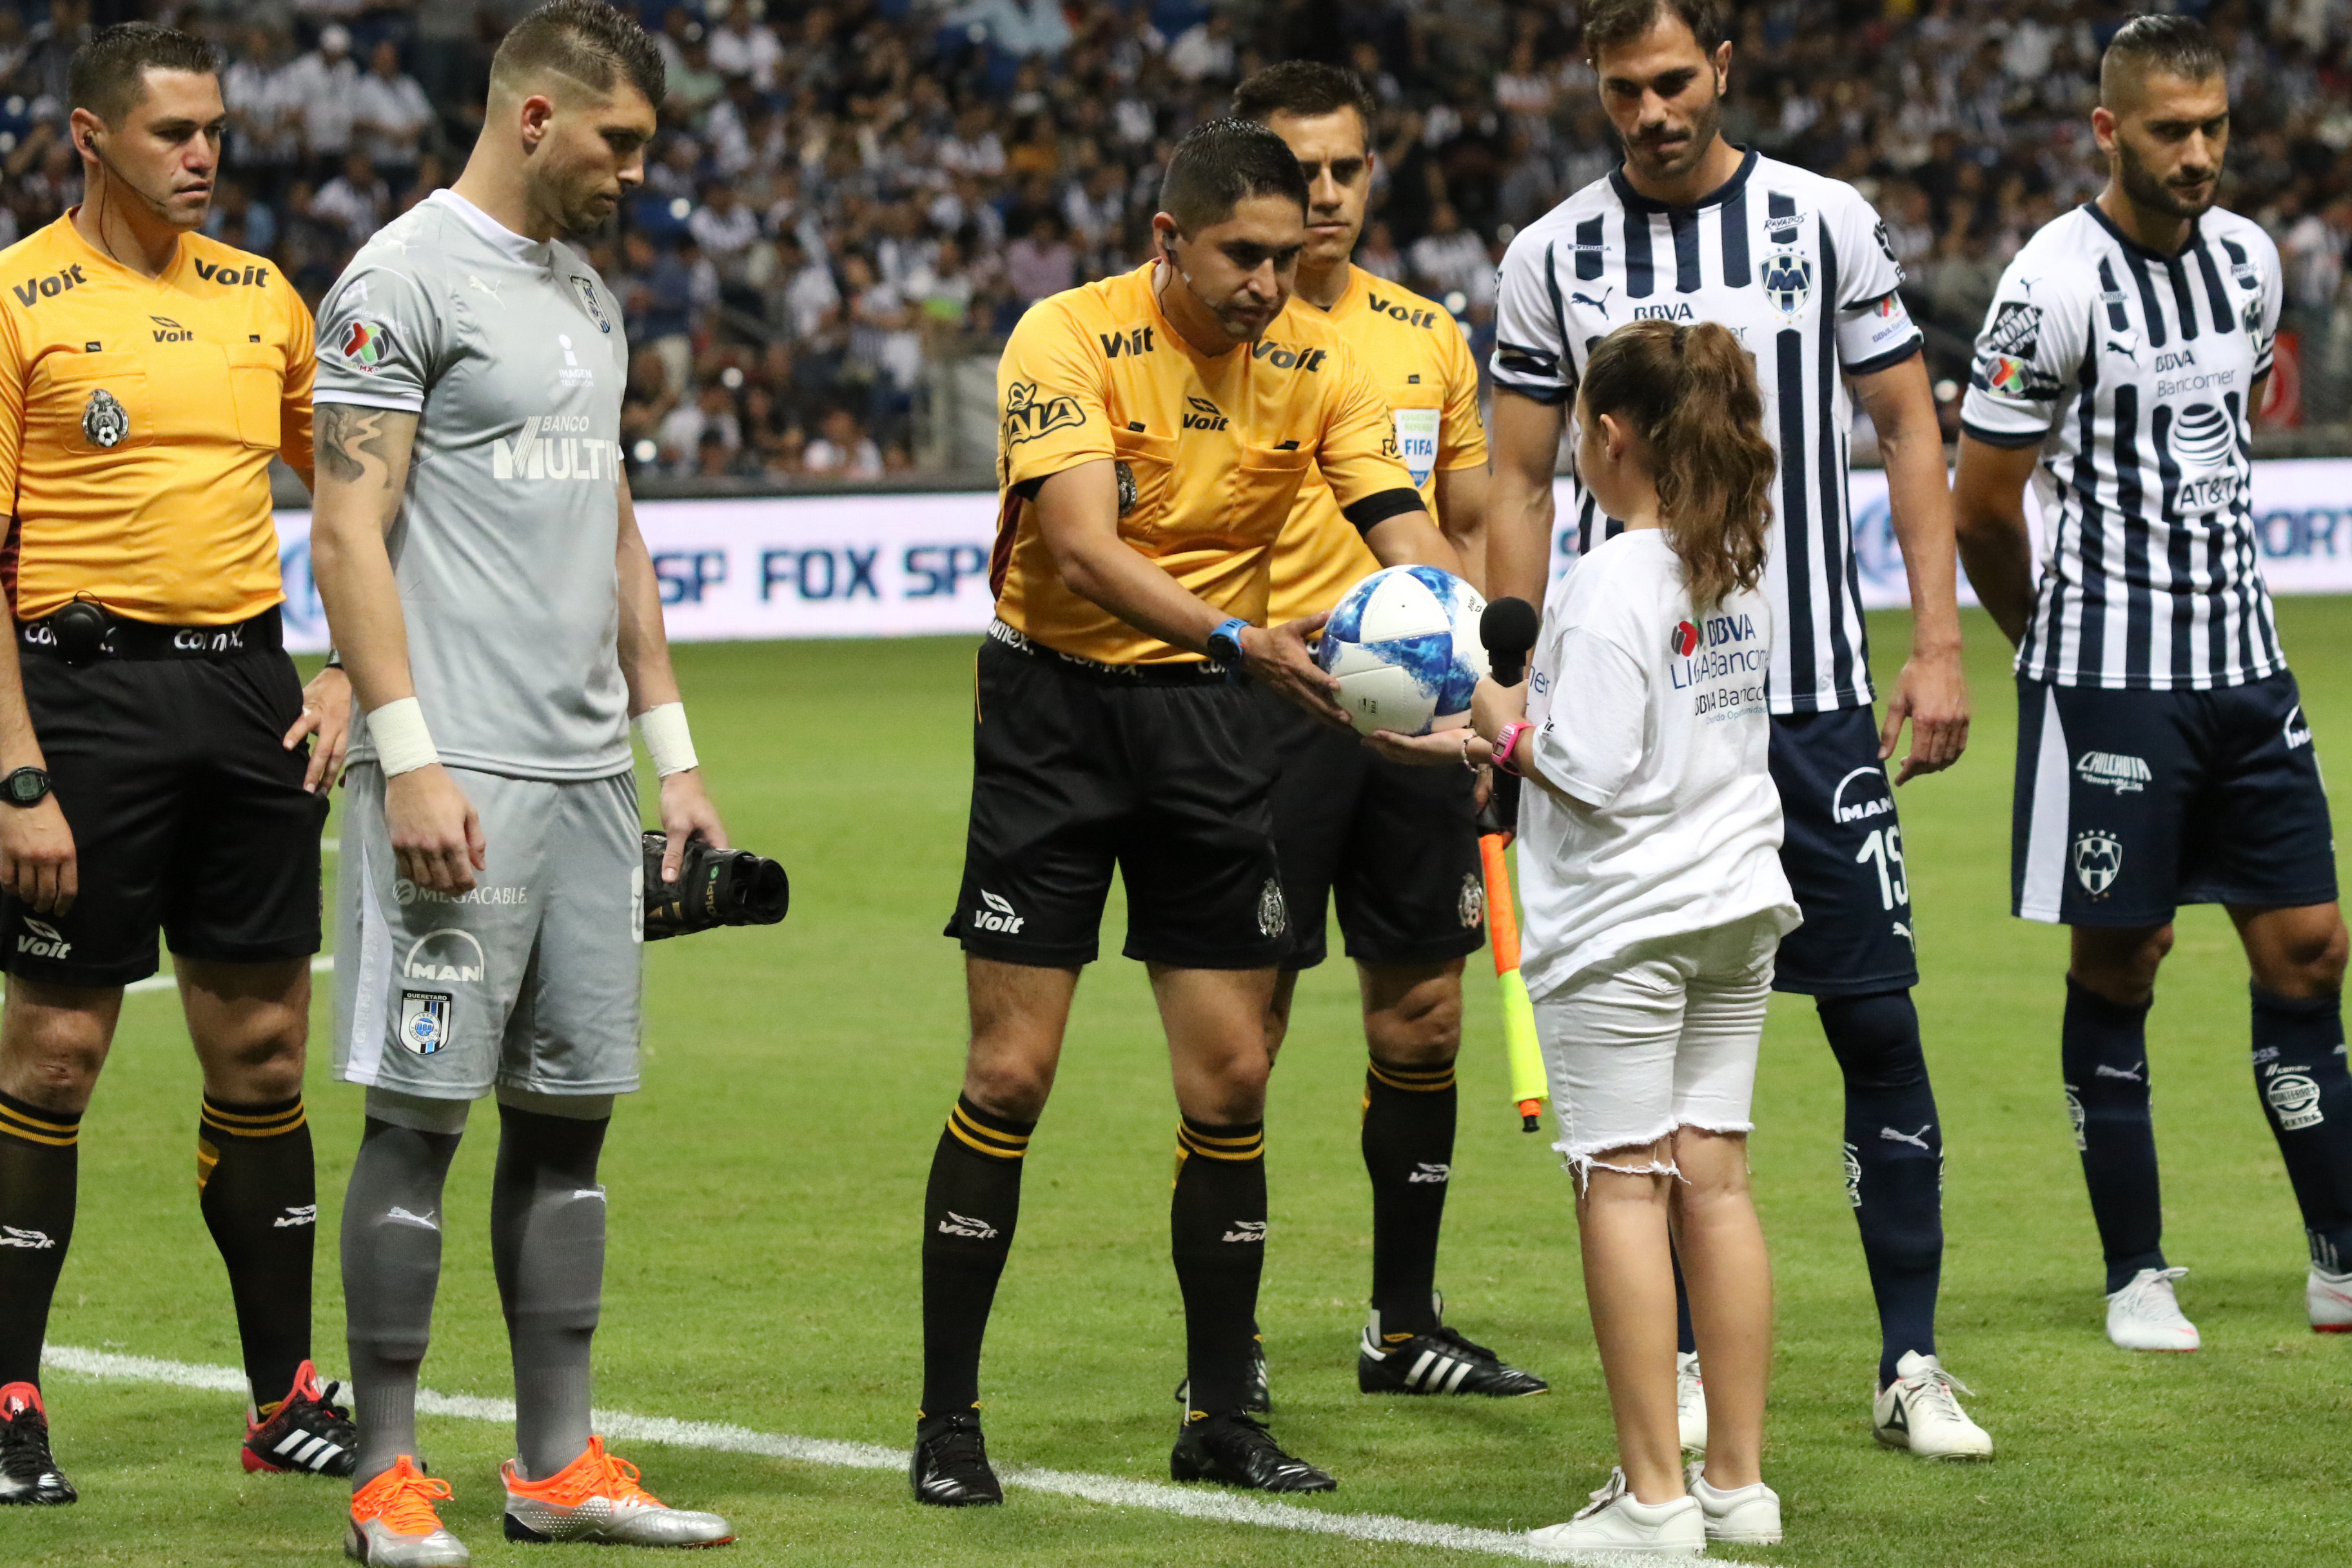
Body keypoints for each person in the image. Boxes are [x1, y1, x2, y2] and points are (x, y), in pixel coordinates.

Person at [915, 116, 1467, 1507]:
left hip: (1209, 728)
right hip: (1053, 716)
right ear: (1169, 239)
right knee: (1011, 1074)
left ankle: (1220, 1414)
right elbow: (1079, 547)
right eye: (1241, 256)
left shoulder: (1322, 362)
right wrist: (1237, 638)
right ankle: (948, 1420)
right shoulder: (1066, 338)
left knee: (1228, 1079)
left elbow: (1401, 527)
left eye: (1284, 258)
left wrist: (1464, 644)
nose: (1267, 284)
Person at [1485, 0, 1991, 1460]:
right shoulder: (1550, 257)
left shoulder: (1823, 221)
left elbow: (1907, 427)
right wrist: (1512, 678)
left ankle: (1912, 1362)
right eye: (1620, 89)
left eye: (1671, 81)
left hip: (1812, 699)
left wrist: (1937, 645)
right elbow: (1519, 482)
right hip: (1639, 717)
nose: (1649, 112)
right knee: (1654, 1066)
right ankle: (1692, 1380)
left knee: (1876, 1020)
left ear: (1722, 66)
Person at [306, 3, 734, 1560]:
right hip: (460, 772)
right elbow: (346, 532)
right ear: (537, 117)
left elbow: (614, 529)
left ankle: (558, 1466)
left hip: (587, 778)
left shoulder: (587, 296)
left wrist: (672, 758)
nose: (639, 172)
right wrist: (409, 756)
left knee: (569, 1123)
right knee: (419, 1120)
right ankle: (386, 1473)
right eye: (621, 141)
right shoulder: (399, 283)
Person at [1952, 14, 2352, 1352]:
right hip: (2111, 677)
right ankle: (2137, 1273)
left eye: (2215, 126)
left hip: (2248, 665)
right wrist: (2050, 647)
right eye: (2171, 130)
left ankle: (2341, 1259)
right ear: (2108, 130)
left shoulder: (2249, 261)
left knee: (2311, 947)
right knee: (2126, 959)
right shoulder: (2048, 284)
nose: (2199, 153)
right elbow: (1984, 507)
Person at [0, 21, 354, 1505]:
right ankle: (9, 1398)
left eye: (215, 129)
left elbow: (360, 500)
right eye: (173, 133)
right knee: (55, 1051)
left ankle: (284, 1397)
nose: (205, 155)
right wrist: (17, 770)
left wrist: (350, 668)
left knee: (264, 1049)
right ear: (90, 137)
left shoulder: (264, 298)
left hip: (249, 694)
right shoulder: (18, 297)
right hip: (79, 700)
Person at [1230, 61, 1545, 1401]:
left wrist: (1490, 706)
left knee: (1422, 1024)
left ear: (1373, 174)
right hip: (1267, 712)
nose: (1325, 193)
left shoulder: (1428, 335)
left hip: (1416, 726)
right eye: (1298, 169)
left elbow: (1468, 528)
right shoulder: (1216, 335)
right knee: (1239, 1037)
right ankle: (1224, 1348)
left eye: (1345, 168)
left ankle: (1403, 1329)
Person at [1476, 318, 1794, 1554]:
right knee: (1716, 1181)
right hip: (1736, 901)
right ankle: (1737, 1486)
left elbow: (1591, 769)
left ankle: (1655, 1502)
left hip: (1626, 922)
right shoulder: (1740, 554)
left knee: (1620, 1182)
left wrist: (1496, 728)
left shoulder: (1610, 577)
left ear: (1609, 433)